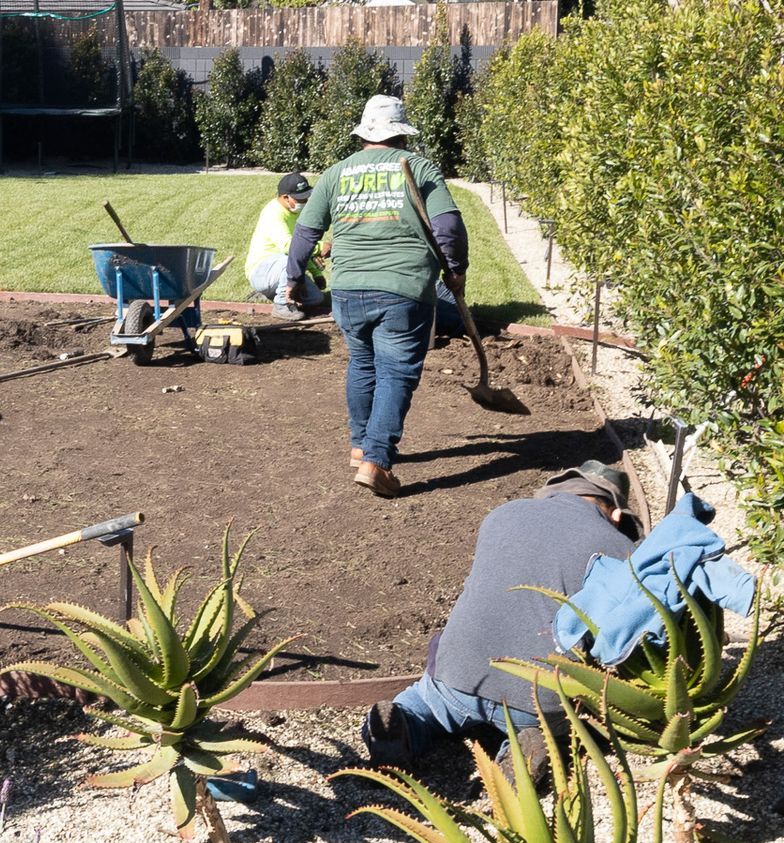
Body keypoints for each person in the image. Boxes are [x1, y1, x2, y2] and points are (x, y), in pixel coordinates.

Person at [364, 461, 639, 769]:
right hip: (537, 699)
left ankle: (403, 723)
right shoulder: (620, 548)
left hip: (458, 675)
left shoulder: (503, 514)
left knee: (423, 702)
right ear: (617, 515)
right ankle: (527, 749)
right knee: (559, 730)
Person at [285, 94, 469, 499]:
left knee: (363, 363)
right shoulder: (419, 167)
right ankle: (377, 461)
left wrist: (294, 278)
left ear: (365, 133)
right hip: (403, 288)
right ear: (401, 134)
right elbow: (448, 227)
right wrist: (456, 270)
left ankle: (360, 446)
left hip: (348, 290)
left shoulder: (337, 173)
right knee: (396, 372)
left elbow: (306, 232)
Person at [246, 172, 327, 321]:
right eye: (300, 199)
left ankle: (272, 293)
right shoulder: (273, 213)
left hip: (281, 268)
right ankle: (281, 306)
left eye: (306, 197)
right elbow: (290, 247)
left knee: (316, 298)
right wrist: (320, 247)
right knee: (289, 261)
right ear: (285, 197)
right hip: (261, 271)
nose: (305, 201)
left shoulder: (296, 213)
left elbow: (300, 248)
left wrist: (316, 273)